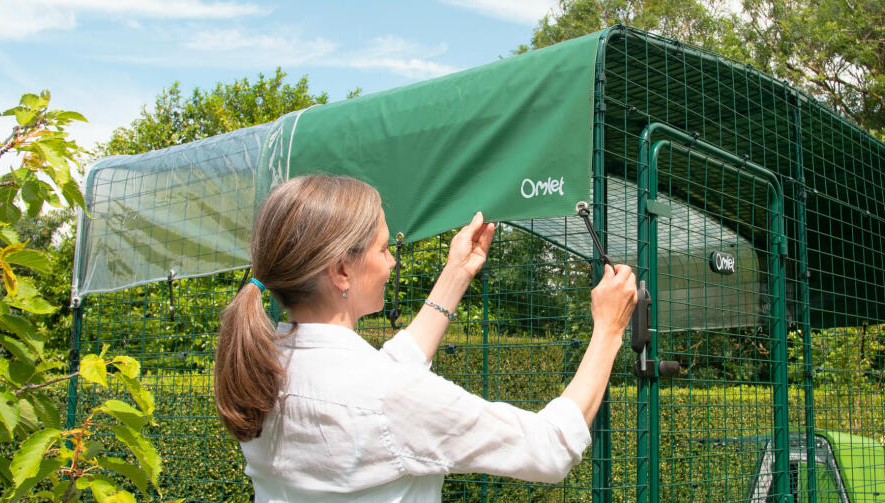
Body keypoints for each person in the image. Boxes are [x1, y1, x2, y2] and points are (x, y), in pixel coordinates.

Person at [214, 175, 637, 502]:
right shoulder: (384, 394)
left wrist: (456, 274)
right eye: (383, 249)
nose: (392, 260)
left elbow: (389, 371)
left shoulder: (264, 366)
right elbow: (550, 447)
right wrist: (609, 330)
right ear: (342, 270)